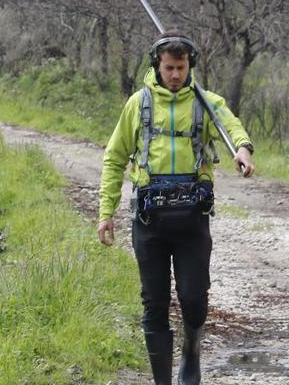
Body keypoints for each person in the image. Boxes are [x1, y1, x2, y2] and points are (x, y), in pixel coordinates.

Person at [97, 32, 255, 385]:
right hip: (148, 219)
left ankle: (192, 355)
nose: (174, 75)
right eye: (168, 68)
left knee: (194, 297)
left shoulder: (207, 101)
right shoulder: (137, 105)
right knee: (153, 303)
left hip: (192, 219)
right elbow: (114, 159)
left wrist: (243, 149)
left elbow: (233, 128)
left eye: (181, 68)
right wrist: (105, 213)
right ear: (157, 65)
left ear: (190, 66)